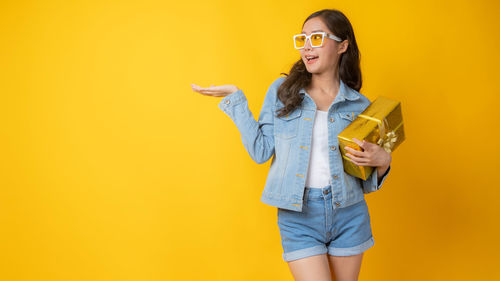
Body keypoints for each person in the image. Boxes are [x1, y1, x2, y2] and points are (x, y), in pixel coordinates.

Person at [191, 8, 392, 281]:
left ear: (342, 45)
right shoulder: (282, 91)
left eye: (317, 38)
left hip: (349, 213)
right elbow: (260, 151)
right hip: (298, 216)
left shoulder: (360, 105)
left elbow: (365, 182)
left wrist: (383, 162)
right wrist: (236, 99)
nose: (307, 46)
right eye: (303, 39)